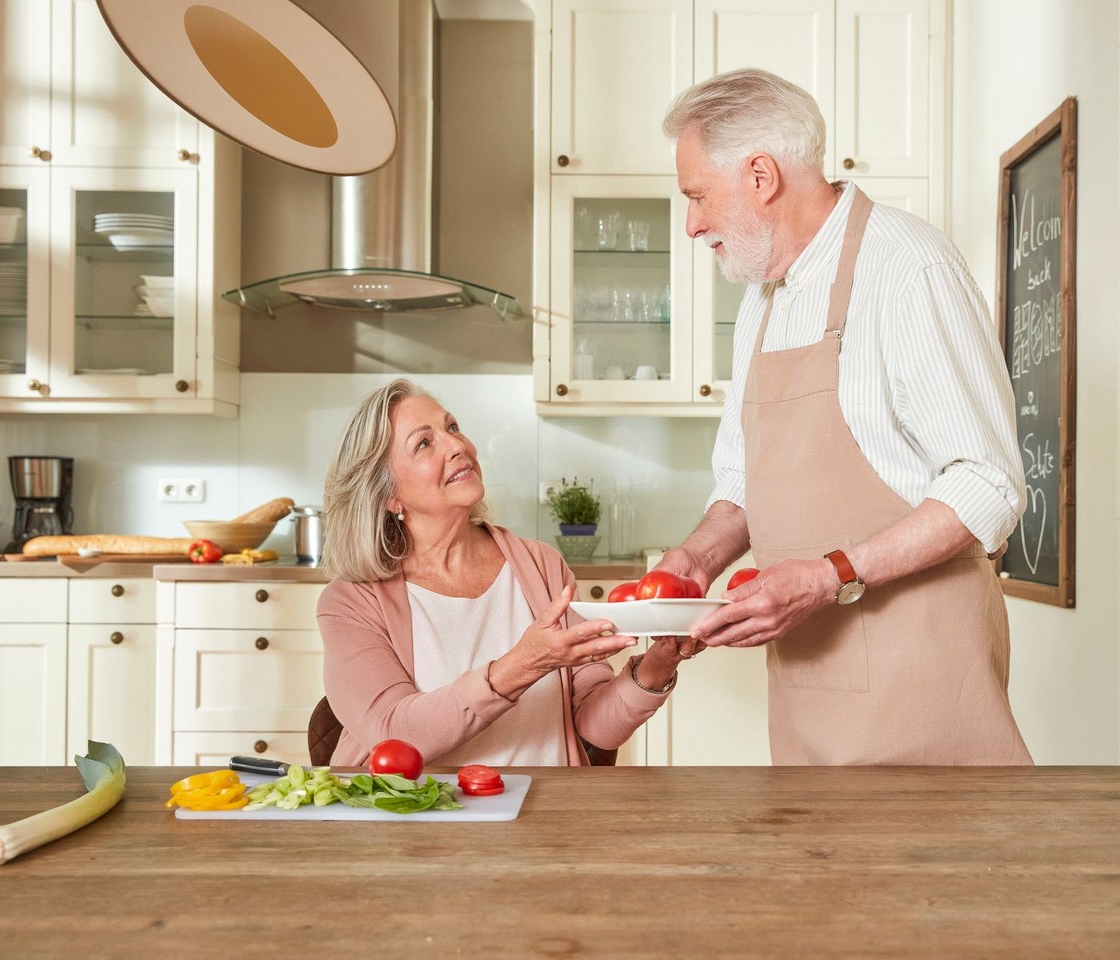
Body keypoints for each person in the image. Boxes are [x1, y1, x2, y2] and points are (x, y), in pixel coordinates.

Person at [655, 68, 1032, 766]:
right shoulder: (762, 298)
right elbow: (742, 479)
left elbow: (989, 485)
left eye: (698, 196)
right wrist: (693, 561)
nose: (692, 224)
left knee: (932, 871)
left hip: (917, 671)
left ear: (762, 176)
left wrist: (827, 575)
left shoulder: (909, 267)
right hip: (805, 677)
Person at [317, 378, 687, 768]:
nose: (458, 446)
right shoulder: (352, 602)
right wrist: (523, 665)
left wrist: (659, 663)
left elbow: (594, 728)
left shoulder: (541, 566)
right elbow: (394, 734)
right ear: (388, 494)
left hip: (545, 815)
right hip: (421, 818)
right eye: (425, 443)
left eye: (453, 427)